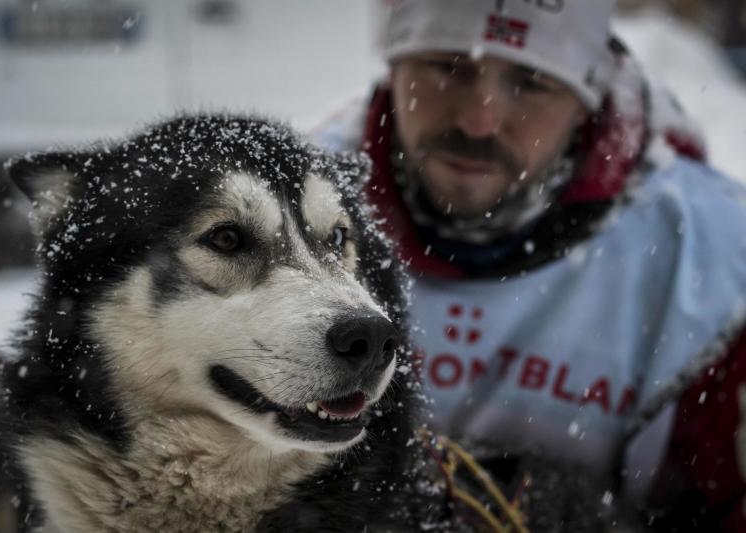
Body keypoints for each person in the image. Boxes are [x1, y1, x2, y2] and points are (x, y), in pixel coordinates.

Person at [313, 0, 746, 529]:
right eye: (448, 66)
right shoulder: (280, 216)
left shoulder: (713, 256)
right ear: (394, 66)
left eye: (533, 81)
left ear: (588, 99)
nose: (479, 120)